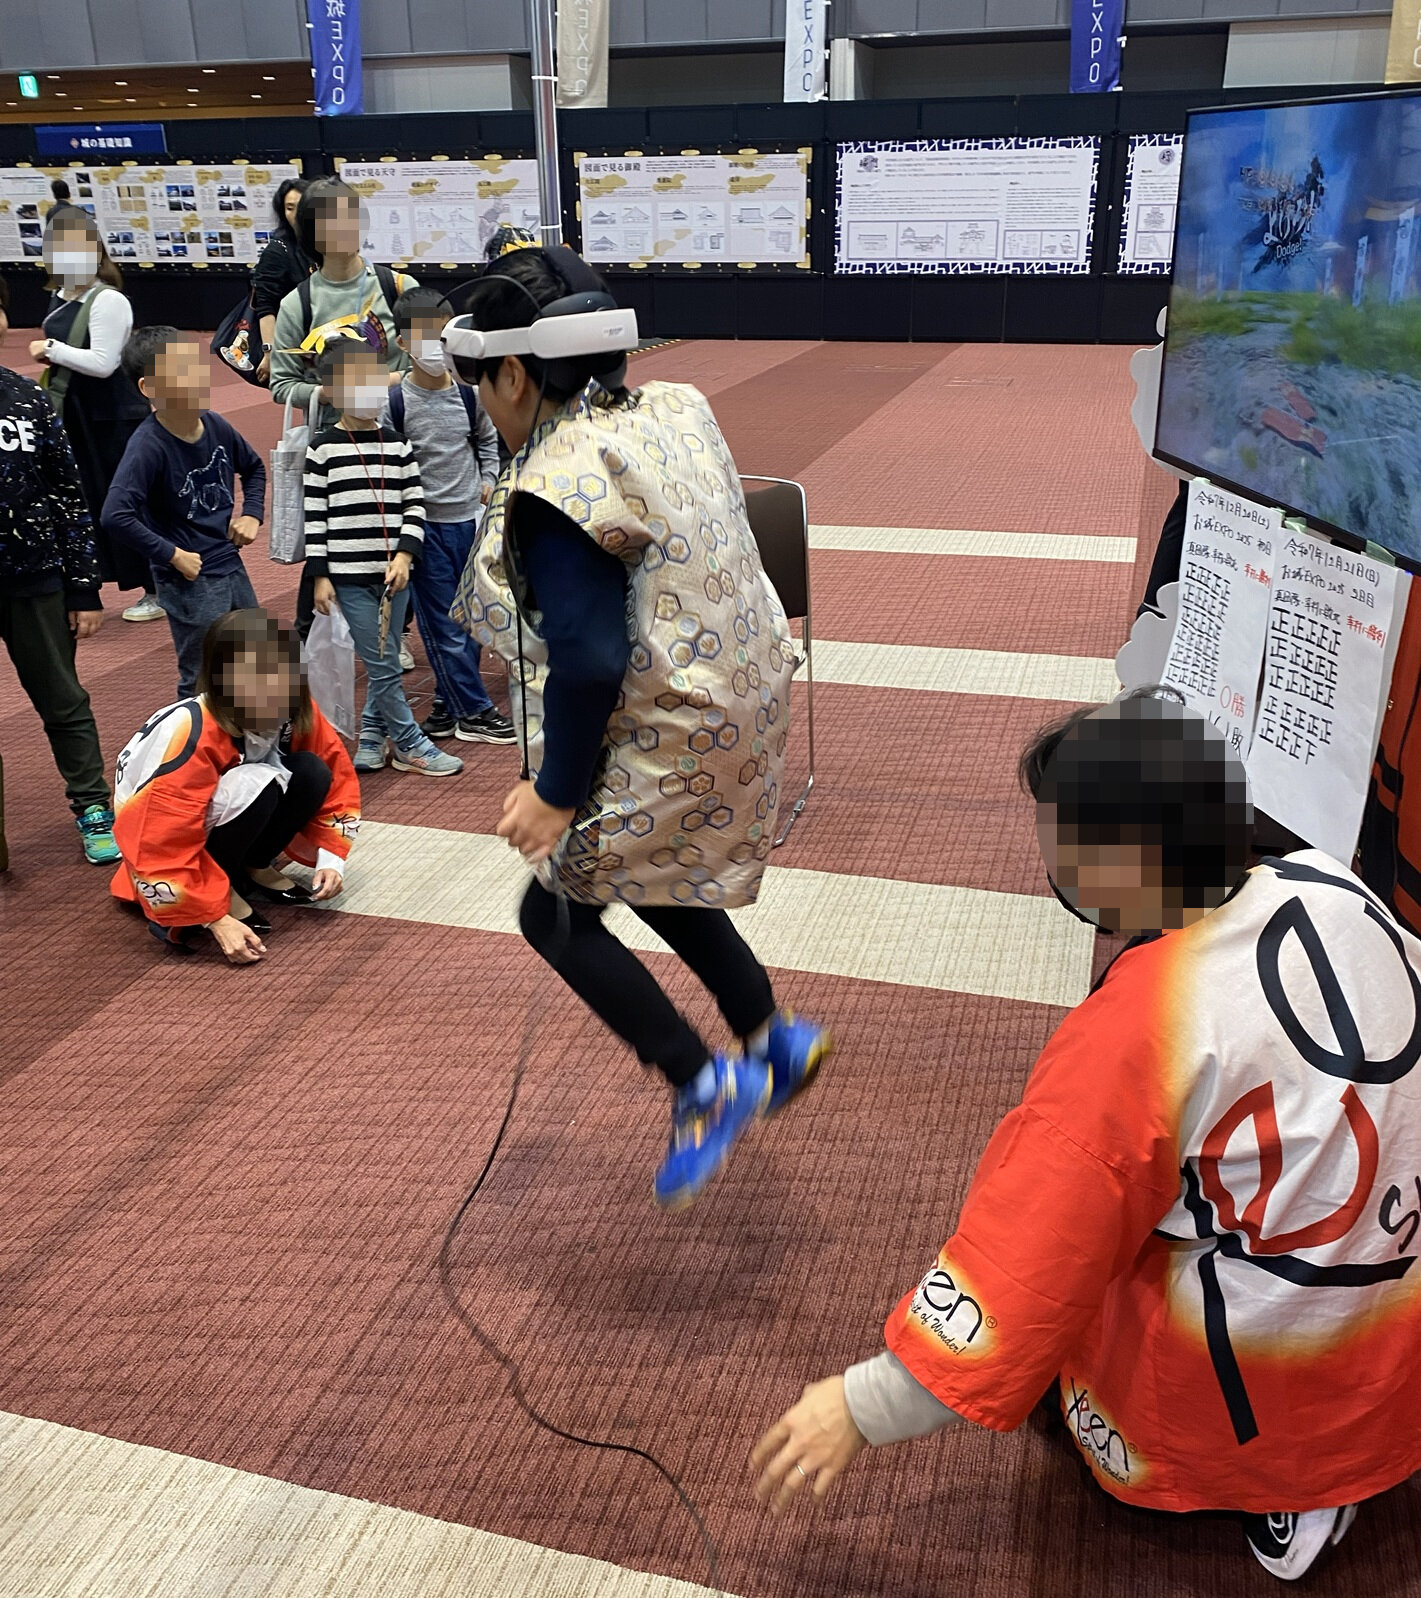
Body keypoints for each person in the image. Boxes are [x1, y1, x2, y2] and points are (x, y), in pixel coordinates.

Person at [751, 691, 1421, 1584]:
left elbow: (1027, 1261)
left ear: (1121, 861)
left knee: (1096, 1274)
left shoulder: (1141, 1027)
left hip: (1283, 1345)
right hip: (1398, 1288)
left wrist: (859, 1405)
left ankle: (1289, 1480)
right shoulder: (1329, 881)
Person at [447, 243, 829, 1209]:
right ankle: (770, 1036)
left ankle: (702, 1085)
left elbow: (587, 660)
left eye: (480, 383)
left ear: (514, 373)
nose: (482, 405)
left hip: (668, 722)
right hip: (741, 695)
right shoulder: (672, 406)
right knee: (650, 870)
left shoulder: (560, 478)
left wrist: (552, 795)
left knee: (556, 912)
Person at [110, 609, 360, 964]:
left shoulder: (291, 704)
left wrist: (331, 860)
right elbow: (158, 834)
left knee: (312, 770)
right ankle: (220, 885)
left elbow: (336, 776)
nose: (276, 686)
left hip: (216, 810)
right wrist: (213, 918)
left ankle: (255, 865)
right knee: (256, 783)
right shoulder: (191, 731)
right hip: (159, 835)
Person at [0, 270, 119, 866]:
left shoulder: (27, 399)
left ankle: (93, 807)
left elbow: (69, 496)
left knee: (63, 700)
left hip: (35, 578)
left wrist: (84, 587)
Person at [304, 334, 461, 778]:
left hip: (395, 574)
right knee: (382, 662)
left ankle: (373, 736)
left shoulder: (397, 444)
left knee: (386, 656)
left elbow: (415, 504)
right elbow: (315, 518)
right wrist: (321, 576)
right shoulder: (323, 449)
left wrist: (406, 556)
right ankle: (410, 742)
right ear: (332, 391)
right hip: (350, 576)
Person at [269, 176, 416, 640]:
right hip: (334, 449)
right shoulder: (299, 303)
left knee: (400, 537)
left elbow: (427, 364)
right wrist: (329, 393)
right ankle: (313, 635)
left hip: (395, 438)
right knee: (333, 539)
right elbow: (281, 384)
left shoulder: (396, 286)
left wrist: (380, 383)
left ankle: (393, 634)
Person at [380, 284, 513, 747]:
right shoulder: (396, 404)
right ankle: (474, 710)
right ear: (402, 343)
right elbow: (388, 465)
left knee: (472, 618)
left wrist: (489, 478)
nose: (435, 349)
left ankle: (446, 702)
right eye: (423, 338)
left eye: (442, 337)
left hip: (469, 522)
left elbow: (488, 441)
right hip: (425, 528)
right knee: (442, 624)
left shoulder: (470, 397)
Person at [102, 328, 266, 700]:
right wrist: (171, 555)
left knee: (252, 658)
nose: (196, 377)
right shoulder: (148, 446)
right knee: (203, 674)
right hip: (190, 577)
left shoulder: (215, 424)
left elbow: (254, 467)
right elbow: (115, 514)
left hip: (228, 562)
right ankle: (194, 735)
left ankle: (250, 733)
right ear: (149, 388)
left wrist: (252, 514)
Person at [30, 206, 159, 623]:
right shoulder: (60, 297)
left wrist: (51, 350)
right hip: (77, 416)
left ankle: (157, 584)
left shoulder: (109, 299)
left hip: (114, 417)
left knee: (128, 501)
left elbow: (104, 362)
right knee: (87, 500)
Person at [248, 177, 310, 388]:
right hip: (292, 340)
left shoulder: (322, 244)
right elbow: (265, 305)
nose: (295, 214)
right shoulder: (278, 250)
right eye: (289, 208)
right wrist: (270, 352)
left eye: (301, 207)